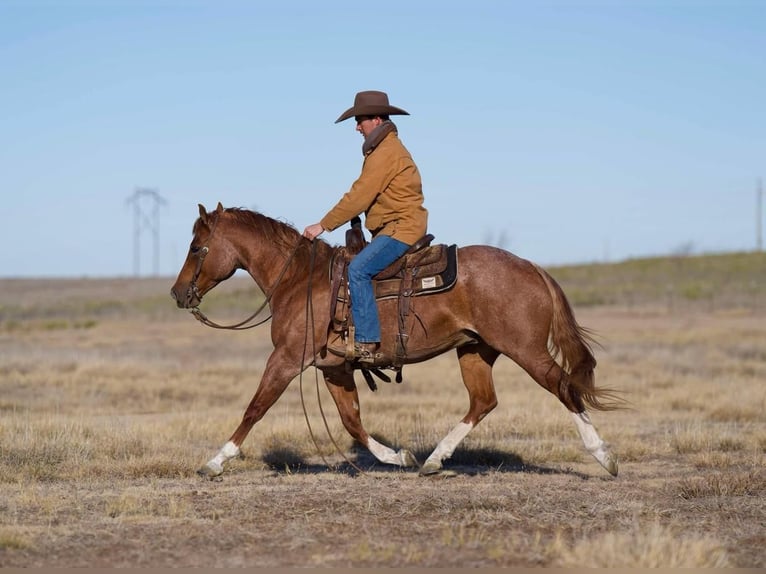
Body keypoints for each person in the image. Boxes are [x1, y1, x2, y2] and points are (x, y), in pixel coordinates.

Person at [303, 90, 428, 363]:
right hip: (394, 227)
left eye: (360, 120)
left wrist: (323, 225)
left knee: (358, 270)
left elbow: (360, 195)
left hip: (400, 229)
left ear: (377, 118)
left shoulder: (386, 151)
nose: (357, 126)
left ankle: (367, 342)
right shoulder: (383, 149)